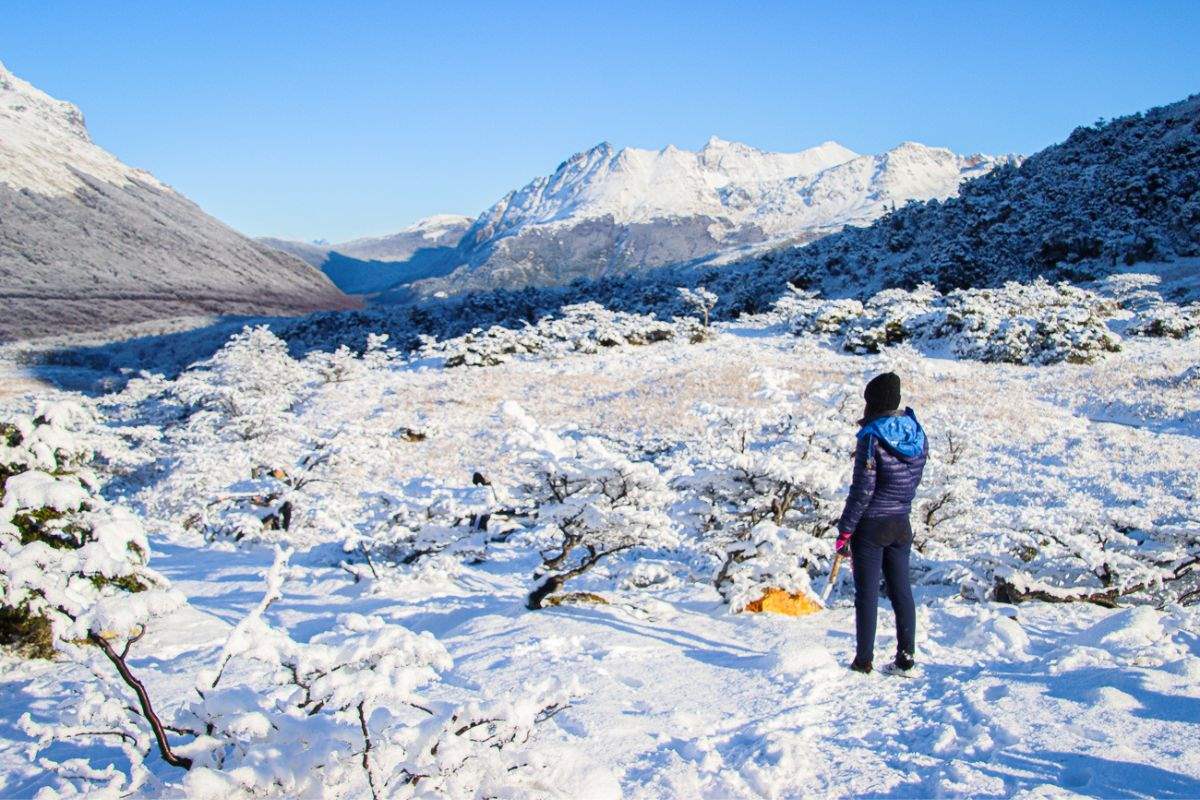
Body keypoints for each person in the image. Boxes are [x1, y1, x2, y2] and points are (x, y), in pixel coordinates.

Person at [834, 372, 928, 676]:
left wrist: (845, 530)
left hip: (872, 527)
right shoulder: (917, 432)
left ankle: (864, 661)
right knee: (902, 590)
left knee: (867, 594)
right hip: (902, 521)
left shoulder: (872, 436)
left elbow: (862, 489)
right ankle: (906, 658)